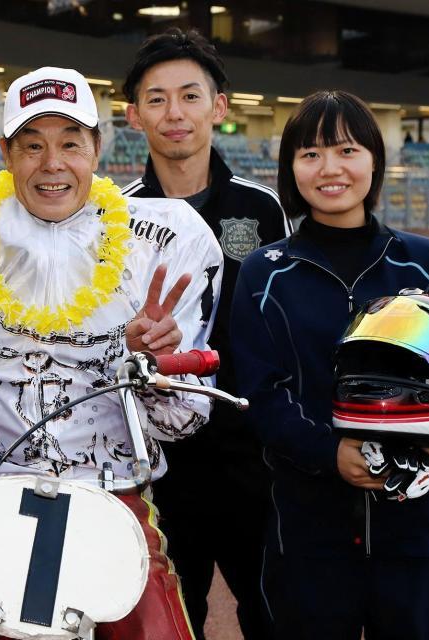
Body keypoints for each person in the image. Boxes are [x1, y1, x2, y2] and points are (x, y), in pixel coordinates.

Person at [0, 66, 223, 640]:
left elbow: (181, 424)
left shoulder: (165, 241)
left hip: (114, 500)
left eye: (71, 143)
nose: (52, 164)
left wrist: (153, 370)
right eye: (32, 146)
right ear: (6, 153)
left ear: (97, 147)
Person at [230, 90, 429, 639]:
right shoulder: (264, 272)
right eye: (310, 154)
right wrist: (328, 452)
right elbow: (262, 394)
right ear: (291, 168)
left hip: (420, 535)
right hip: (308, 537)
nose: (329, 168)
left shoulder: (427, 261)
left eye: (346, 150)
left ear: (374, 161)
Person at [120, 27, 291, 639]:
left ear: (218, 107)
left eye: (190, 95)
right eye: (157, 98)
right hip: (159, 464)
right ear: (134, 115)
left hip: (252, 457)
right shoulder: (116, 216)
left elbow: (283, 327)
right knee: (166, 622)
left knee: (274, 616)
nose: (175, 113)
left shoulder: (263, 209)